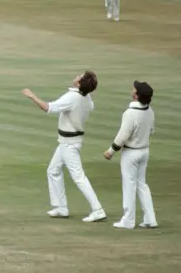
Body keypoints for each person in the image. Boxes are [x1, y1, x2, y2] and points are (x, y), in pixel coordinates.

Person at [22, 71, 106, 223]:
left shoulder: (73, 97)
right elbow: (90, 106)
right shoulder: (86, 97)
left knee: (78, 176)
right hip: (67, 141)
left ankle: (97, 209)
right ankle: (61, 208)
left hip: (69, 143)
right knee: (53, 170)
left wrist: (32, 96)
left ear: (80, 84)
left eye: (80, 76)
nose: (77, 76)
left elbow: (48, 108)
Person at [103, 80, 157, 229]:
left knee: (129, 186)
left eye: (135, 89)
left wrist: (110, 151)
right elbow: (151, 131)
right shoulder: (150, 111)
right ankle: (150, 219)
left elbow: (122, 136)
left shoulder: (130, 113)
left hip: (131, 153)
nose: (132, 89)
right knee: (142, 185)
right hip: (144, 151)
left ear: (136, 95)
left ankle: (128, 220)